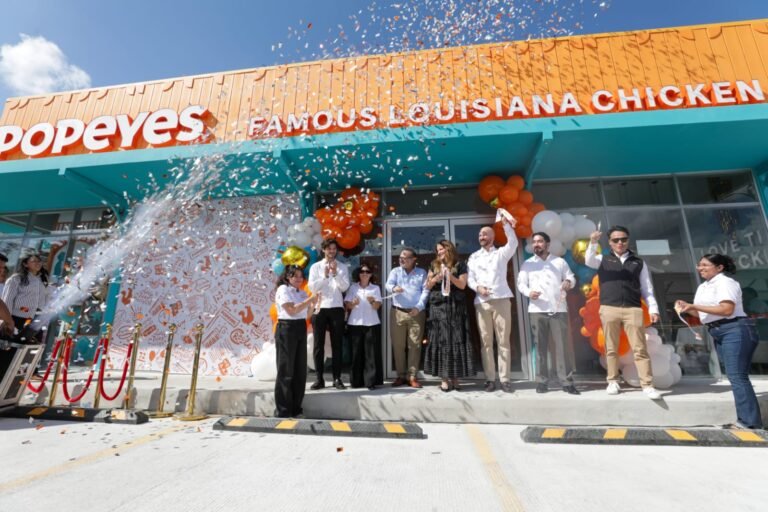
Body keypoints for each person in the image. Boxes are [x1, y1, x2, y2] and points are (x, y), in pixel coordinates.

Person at [676, 254, 764, 429]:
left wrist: (694, 306)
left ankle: (750, 422)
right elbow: (704, 316)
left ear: (719, 267)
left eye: (705, 265)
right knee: (735, 376)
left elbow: (726, 309)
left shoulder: (726, 283)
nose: (700, 268)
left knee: (737, 376)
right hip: (718, 331)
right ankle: (746, 420)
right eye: (699, 265)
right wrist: (686, 309)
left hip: (735, 328)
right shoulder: (703, 287)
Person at [585, 225, 663, 400]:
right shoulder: (602, 259)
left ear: (628, 240)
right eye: (615, 240)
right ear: (610, 243)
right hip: (609, 308)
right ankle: (612, 380)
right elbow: (588, 261)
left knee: (640, 349)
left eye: (623, 239)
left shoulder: (638, 262)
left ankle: (647, 385)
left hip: (633, 308)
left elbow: (647, 288)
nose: (620, 243)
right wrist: (592, 242)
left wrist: (653, 308)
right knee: (610, 348)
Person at [517, 231, 580, 395]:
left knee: (562, 348)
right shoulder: (527, 264)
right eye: (534, 242)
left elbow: (571, 278)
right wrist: (529, 292)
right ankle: (542, 381)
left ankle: (566, 382)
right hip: (537, 311)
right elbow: (521, 284)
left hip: (558, 309)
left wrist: (568, 281)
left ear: (548, 244)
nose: (536, 244)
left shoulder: (559, 262)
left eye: (540, 241)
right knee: (540, 348)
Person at [468, 212, 518, 392]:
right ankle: (490, 379)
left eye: (485, 234)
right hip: (482, 302)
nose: (482, 237)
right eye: (480, 235)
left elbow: (513, 243)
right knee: (486, 342)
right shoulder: (473, 257)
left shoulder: (502, 254)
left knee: (503, 341)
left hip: (502, 299)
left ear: (492, 236)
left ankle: (505, 379)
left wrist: (506, 225)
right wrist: (477, 288)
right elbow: (470, 279)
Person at [424, 240, 475, 391]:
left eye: (441, 249)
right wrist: (436, 278)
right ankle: (444, 379)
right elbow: (427, 285)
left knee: (456, 339)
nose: (439, 252)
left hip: (455, 307)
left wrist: (449, 275)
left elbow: (462, 285)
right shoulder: (433, 265)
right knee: (442, 341)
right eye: (437, 250)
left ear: (449, 249)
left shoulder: (460, 265)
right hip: (439, 308)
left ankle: (456, 378)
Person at [273, 265, 317, 418]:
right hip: (286, 328)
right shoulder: (283, 290)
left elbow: (306, 314)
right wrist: (309, 300)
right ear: (287, 277)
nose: (298, 279)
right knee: (286, 370)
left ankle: (296, 408)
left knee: (299, 370)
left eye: (300, 276)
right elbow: (292, 310)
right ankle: (283, 410)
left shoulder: (302, 292)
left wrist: (314, 303)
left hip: (300, 327)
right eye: (295, 276)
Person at [307, 239, 350, 390]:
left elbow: (344, 287)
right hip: (320, 308)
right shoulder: (315, 267)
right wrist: (325, 276)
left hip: (337, 308)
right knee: (318, 345)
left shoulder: (343, 267)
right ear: (324, 250)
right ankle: (319, 379)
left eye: (334, 249)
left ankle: (337, 378)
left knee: (337, 344)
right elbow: (312, 287)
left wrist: (336, 273)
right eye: (329, 248)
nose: (332, 251)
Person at [385, 248, 429, 388]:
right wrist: (393, 289)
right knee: (398, 346)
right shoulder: (395, 271)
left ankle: (412, 376)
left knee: (414, 345)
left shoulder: (422, 273)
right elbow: (388, 285)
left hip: (416, 313)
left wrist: (419, 307)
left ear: (413, 259)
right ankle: (400, 375)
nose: (401, 260)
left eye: (405, 257)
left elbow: (425, 291)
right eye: (400, 257)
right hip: (398, 312)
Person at [344, 264, 383, 390]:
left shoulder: (375, 288)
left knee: (370, 354)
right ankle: (356, 381)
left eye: (367, 271)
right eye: (362, 271)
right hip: (355, 323)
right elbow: (348, 305)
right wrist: (353, 303)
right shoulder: (353, 288)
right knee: (356, 353)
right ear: (359, 274)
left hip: (371, 323)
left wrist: (372, 301)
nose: (364, 273)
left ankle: (370, 381)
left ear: (371, 274)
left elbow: (377, 306)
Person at [1, 253, 49, 342]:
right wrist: (7, 320)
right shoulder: (16, 278)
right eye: (34, 261)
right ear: (25, 264)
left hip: (36, 320)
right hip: (17, 318)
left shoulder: (42, 280)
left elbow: (45, 299)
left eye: (39, 261)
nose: (38, 263)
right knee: (12, 347)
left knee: (30, 349)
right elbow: (7, 300)